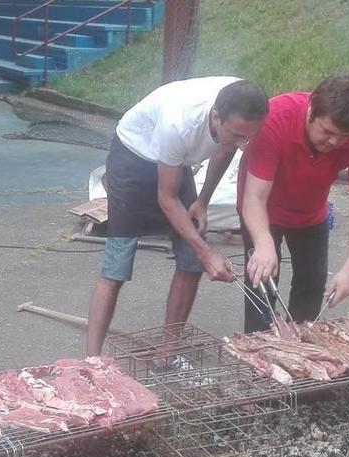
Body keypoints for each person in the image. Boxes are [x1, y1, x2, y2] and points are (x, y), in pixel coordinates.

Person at [85, 77, 269, 356]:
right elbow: (166, 198)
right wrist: (208, 254)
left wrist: (202, 202)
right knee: (117, 264)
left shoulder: (241, 102)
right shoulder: (179, 124)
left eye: (249, 137)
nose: (243, 145)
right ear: (216, 116)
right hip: (133, 158)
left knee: (190, 261)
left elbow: (225, 150)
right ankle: (92, 360)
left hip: (176, 161)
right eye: (237, 135)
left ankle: (167, 352)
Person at [239, 75, 349, 333]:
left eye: (343, 136)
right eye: (327, 132)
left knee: (313, 282)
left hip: (310, 210)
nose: (334, 142)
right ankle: (259, 357)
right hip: (262, 207)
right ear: (311, 109)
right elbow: (254, 198)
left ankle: (301, 349)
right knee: (264, 281)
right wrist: (263, 242)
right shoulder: (275, 119)